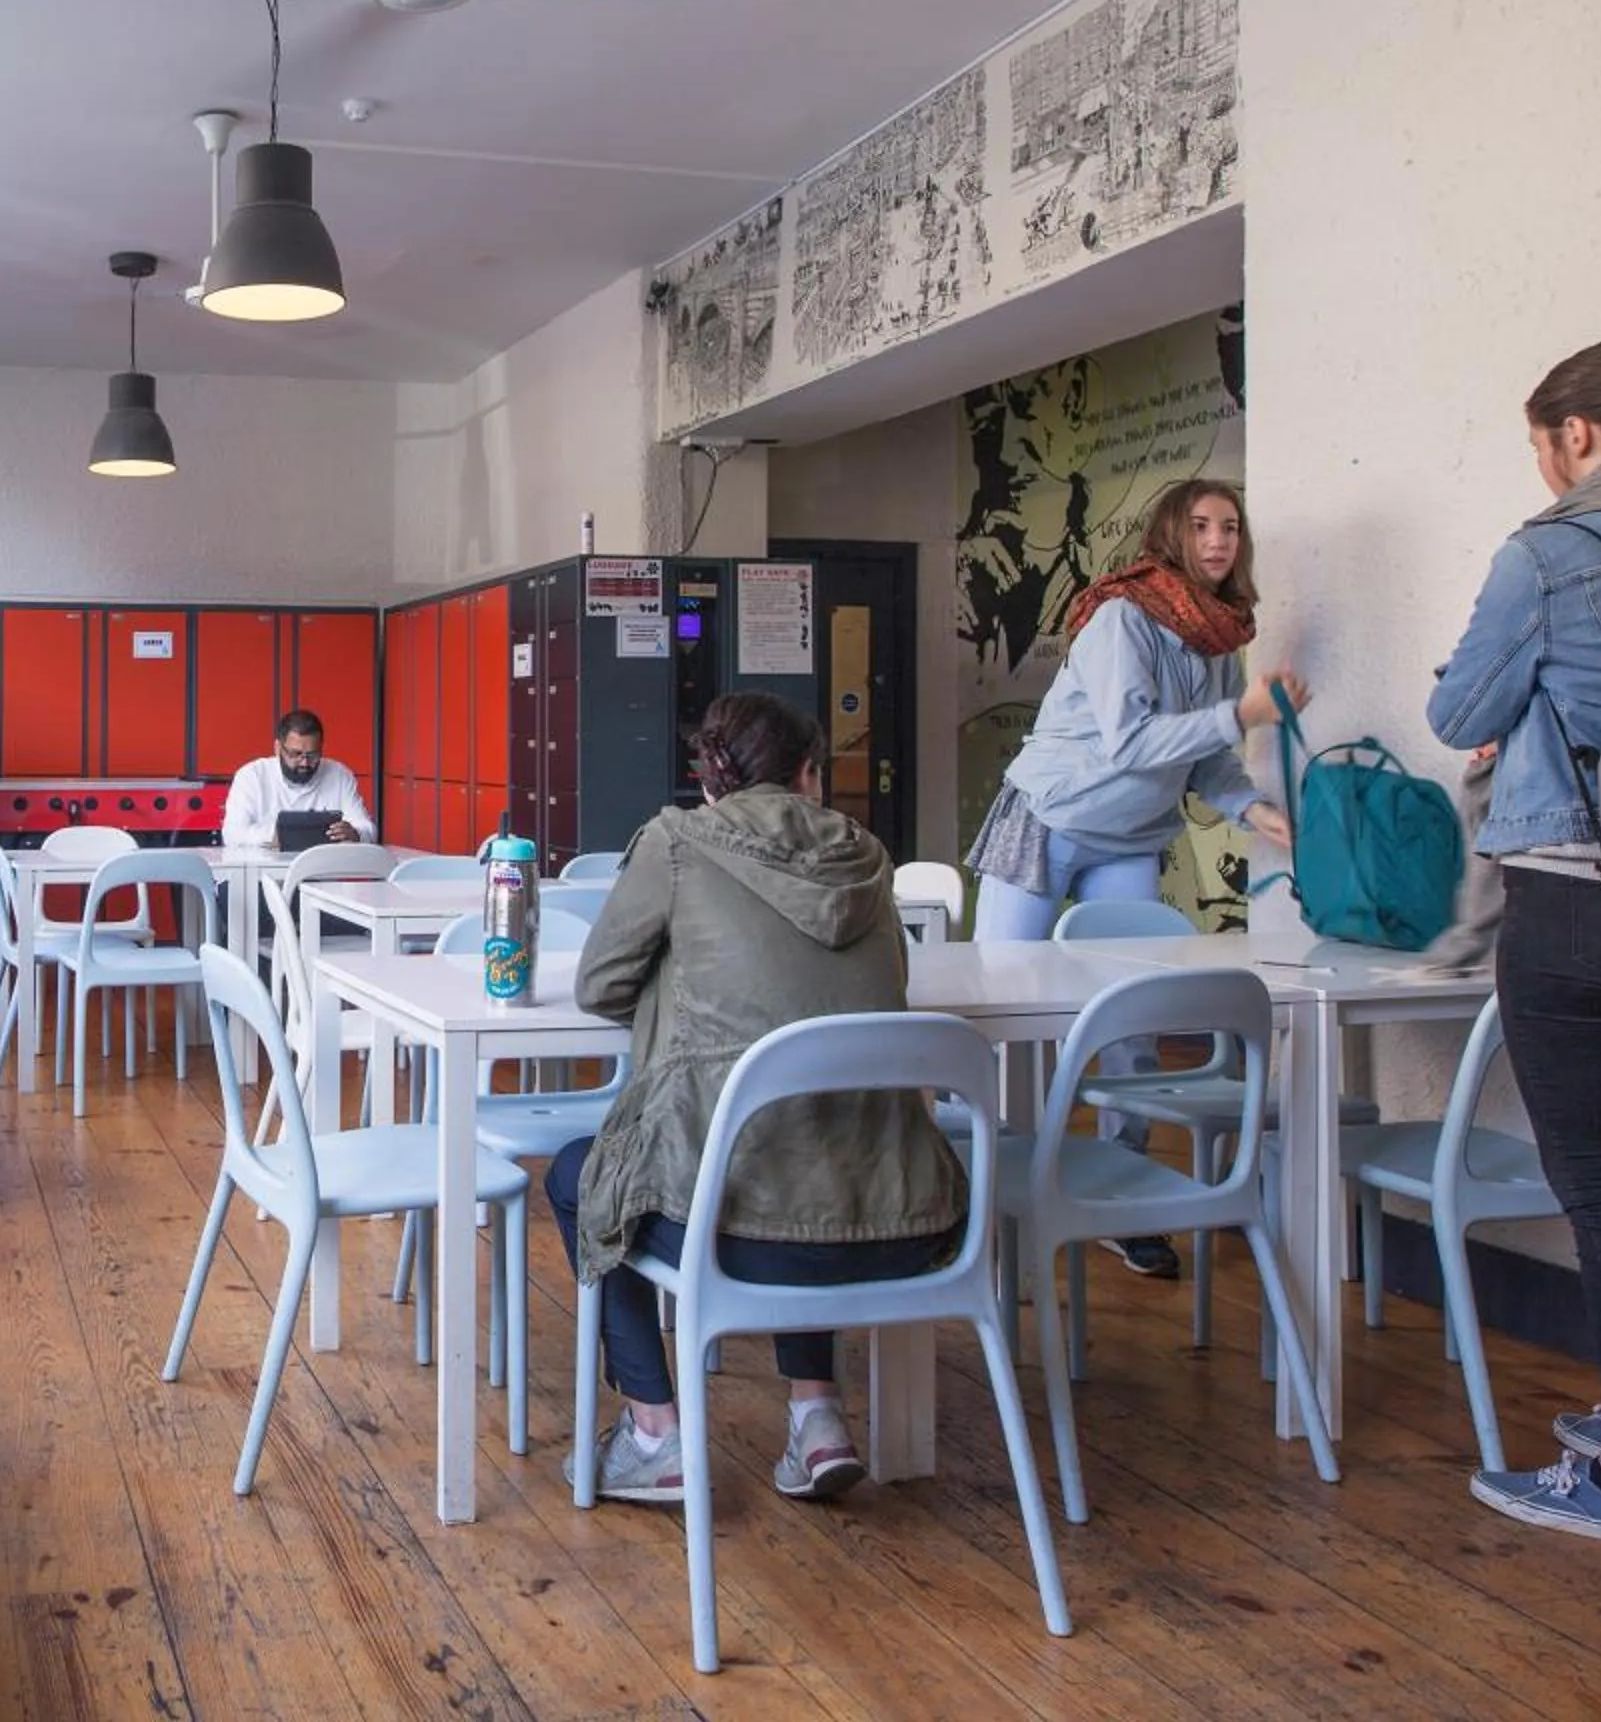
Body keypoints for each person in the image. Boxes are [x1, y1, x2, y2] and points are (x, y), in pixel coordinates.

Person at [549, 692, 968, 1506]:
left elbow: (600, 985)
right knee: (803, 1134)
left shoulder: (676, 844)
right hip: (906, 1221)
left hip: (730, 1232)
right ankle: (817, 1418)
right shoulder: (869, 858)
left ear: (710, 779)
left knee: (584, 1178)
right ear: (812, 776)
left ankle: (653, 1433)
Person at [1429, 337, 1601, 1556]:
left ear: (1578, 438)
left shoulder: (1546, 553)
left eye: (1543, 441)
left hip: (1583, 900)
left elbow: (1458, 712)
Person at [966, 477, 1303, 1280]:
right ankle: (973, 1192)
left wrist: (1253, 809)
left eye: (1230, 527)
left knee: (1132, 1024)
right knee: (996, 1009)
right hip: (1047, 817)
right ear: (1169, 534)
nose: (1219, 540)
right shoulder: (1123, 616)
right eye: (1201, 525)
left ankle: (1117, 1196)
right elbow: (1129, 741)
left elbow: (1206, 759)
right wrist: (1244, 715)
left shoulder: (1218, 640)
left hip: (1129, 836)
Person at [221, 708, 376, 847]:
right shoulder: (251, 776)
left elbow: (367, 828)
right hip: (263, 872)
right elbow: (232, 834)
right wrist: (273, 837)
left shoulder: (339, 775)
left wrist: (356, 833)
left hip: (323, 872)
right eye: (296, 754)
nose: (305, 763)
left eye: (313, 755)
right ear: (278, 749)